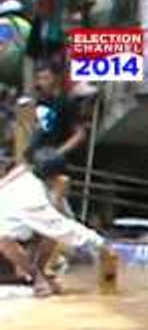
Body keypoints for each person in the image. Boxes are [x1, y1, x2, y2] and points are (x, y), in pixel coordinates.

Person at [0, 147, 108, 297]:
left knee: (50, 234)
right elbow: (59, 226)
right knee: (4, 238)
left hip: (21, 242)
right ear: (55, 176)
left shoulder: (39, 186)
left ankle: (37, 273)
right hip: (6, 248)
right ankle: (36, 278)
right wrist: (98, 242)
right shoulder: (30, 194)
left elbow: (63, 221)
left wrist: (58, 196)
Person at [25, 59, 89, 162]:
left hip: (59, 161)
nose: (41, 83)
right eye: (39, 79)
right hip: (40, 158)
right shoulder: (41, 102)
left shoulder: (66, 102)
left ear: (56, 78)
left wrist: (57, 153)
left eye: (46, 78)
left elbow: (80, 134)